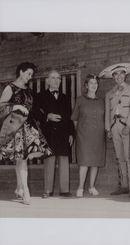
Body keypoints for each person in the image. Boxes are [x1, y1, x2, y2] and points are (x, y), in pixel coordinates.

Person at [0, 62, 51, 205]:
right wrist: (15, 106)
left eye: (31, 75)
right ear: (21, 72)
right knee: (22, 159)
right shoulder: (10, 88)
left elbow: (33, 109)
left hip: (28, 127)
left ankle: (19, 188)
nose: (30, 77)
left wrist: (45, 117)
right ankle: (25, 190)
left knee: (21, 158)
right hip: (14, 127)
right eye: (28, 74)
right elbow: (1, 106)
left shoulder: (28, 90)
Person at [99, 63, 130, 196]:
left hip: (126, 126)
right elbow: (107, 113)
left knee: (129, 157)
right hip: (114, 127)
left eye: (121, 73)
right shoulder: (109, 94)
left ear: (125, 75)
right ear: (112, 77)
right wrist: (108, 129)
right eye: (115, 74)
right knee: (119, 157)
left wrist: (129, 125)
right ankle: (123, 186)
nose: (119, 76)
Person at [34, 70, 74, 198]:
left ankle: (64, 190)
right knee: (49, 160)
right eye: (53, 78)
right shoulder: (40, 96)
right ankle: (48, 190)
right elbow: (35, 112)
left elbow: (69, 117)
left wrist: (71, 133)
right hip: (48, 133)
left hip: (63, 133)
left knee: (64, 160)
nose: (56, 81)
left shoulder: (65, 97)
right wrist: (47, 116)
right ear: (47, 81)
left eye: (58, 78)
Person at [71, 74, 105, 197]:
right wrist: (80, 132)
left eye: (95, 83)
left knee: (95, 162)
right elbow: (75, 118)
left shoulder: (101, 101)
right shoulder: (80, 100)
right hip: (83, 136)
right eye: (91, 83)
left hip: (98, 136)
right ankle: (80, 188)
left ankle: (91, 187)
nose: (93, 85)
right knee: (84, 162)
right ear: (86, 85)